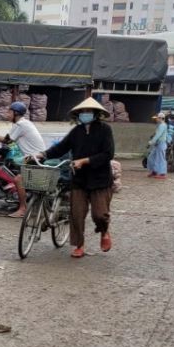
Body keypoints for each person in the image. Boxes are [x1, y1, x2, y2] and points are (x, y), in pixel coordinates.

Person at [34, 97, 115, 259]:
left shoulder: (105, 130)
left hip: (100, 179)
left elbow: (108, 154)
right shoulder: (76, 132)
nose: (85, 114)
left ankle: (104, 231)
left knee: (100, 215)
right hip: (79, 180)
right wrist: (43, 154)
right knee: (76, 214)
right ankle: (79, 245)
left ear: (96, 113)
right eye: (82, 112)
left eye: (88, 111)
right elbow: (61, 147)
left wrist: (85, 161)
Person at [0, 102, 47, 219]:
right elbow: (8, 140)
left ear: (16, 113)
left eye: (9, 112)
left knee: (18, 180)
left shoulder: (20, 125)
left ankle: (23, 209)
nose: (7, 114)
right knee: (18, 175)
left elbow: (7, 140)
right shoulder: (24, 123)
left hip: (35, 158)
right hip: (34, 157)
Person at [146, 114, 169, 179]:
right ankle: (154, 171)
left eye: (157, 118)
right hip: (157, 144)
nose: (156, 119)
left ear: (161, 118)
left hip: (161, 144)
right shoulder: (160, 125)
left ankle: (162, 173)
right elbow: (156, 134)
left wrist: (151, 141)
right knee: (151, 157)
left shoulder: (162, 125)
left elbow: (158, 135)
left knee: (160, 159)